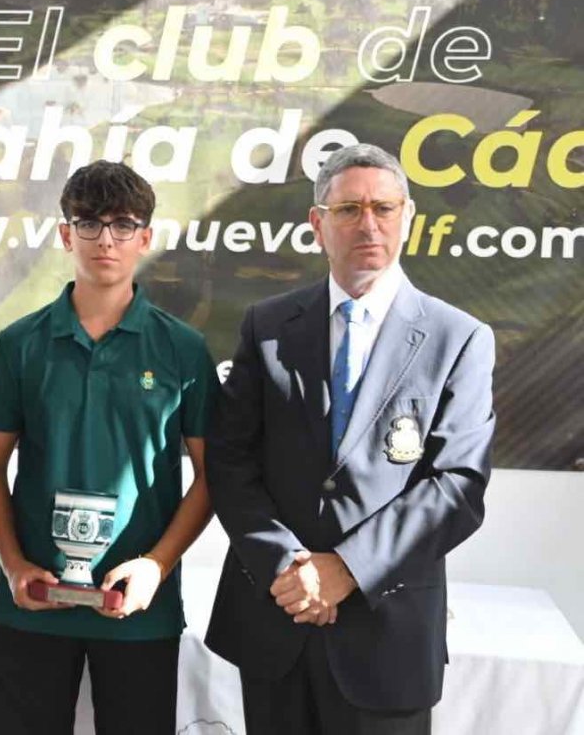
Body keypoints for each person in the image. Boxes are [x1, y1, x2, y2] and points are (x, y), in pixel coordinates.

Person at [205, 143, 495, 734]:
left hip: (387, 639)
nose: (369, 224)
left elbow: (458, 486)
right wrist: (288, 565)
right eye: (349, 210)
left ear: (408, 217)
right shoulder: (266, 326)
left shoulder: (458, 338)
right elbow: (232, 462)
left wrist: (348, 569)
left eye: (384, 208)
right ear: (318, 223)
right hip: (276, 624)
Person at [0, 160, 220, 734]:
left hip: (137, 612)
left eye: (123, 224)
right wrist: (14, 565)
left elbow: (213, 476)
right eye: (88, 223)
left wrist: (157, 567)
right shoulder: (19, 344)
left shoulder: (182, 349)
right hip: (32, 602)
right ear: (65, 235)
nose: (105, 239)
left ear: (146, 238)